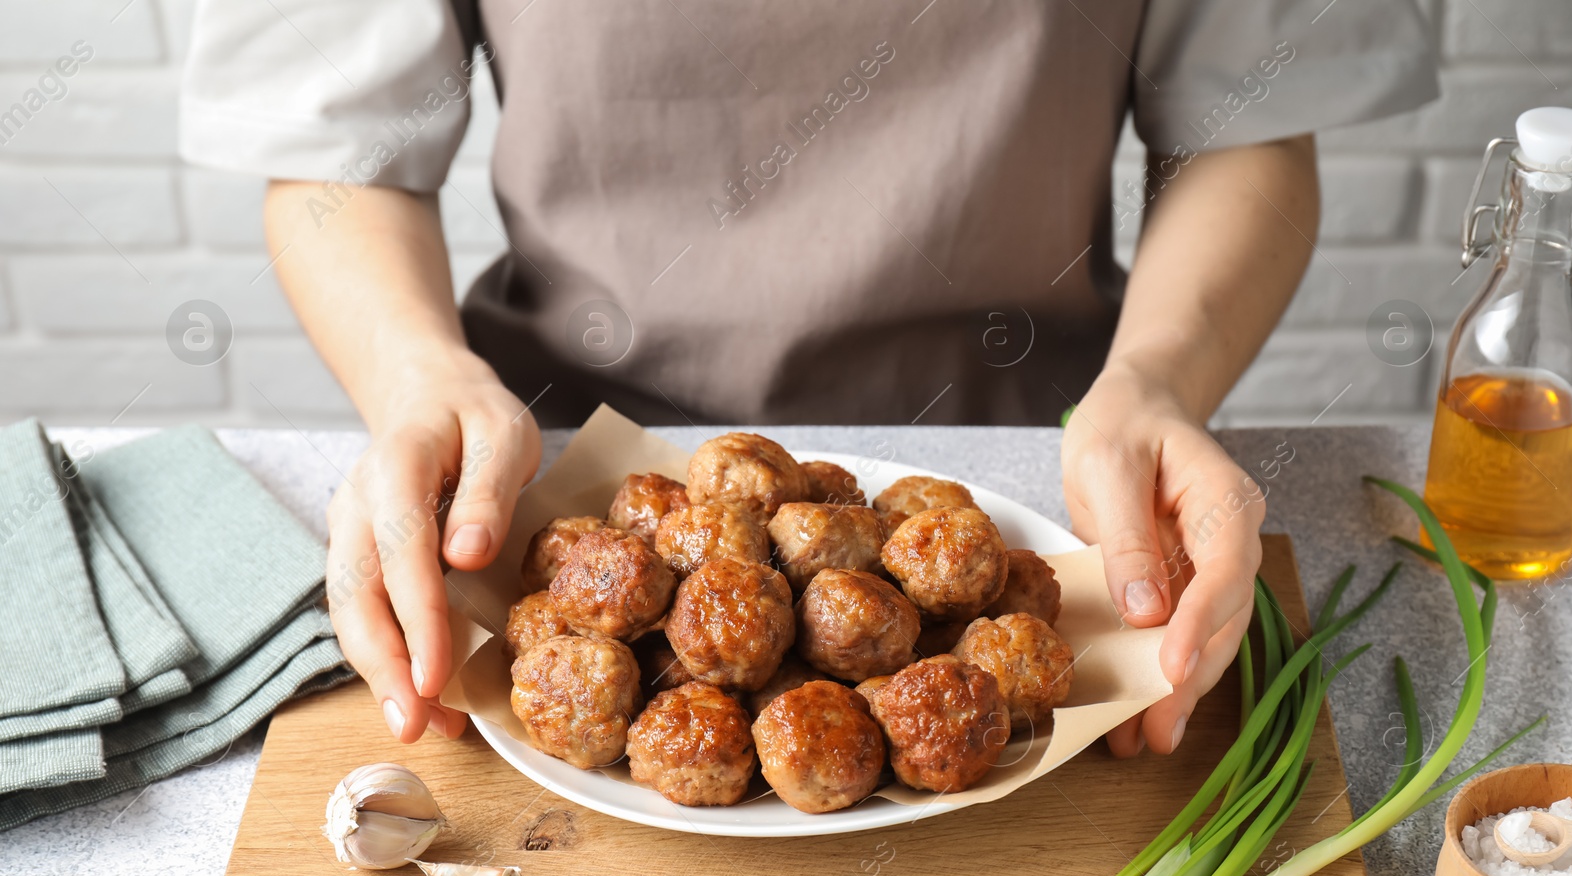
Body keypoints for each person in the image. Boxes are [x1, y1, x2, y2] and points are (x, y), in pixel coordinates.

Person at [180, 1, 1437, 754]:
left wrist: (1157, 378)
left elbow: (1248, 132)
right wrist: (413, 379)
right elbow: (340, 154)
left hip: (1046, 479)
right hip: (550, 471)